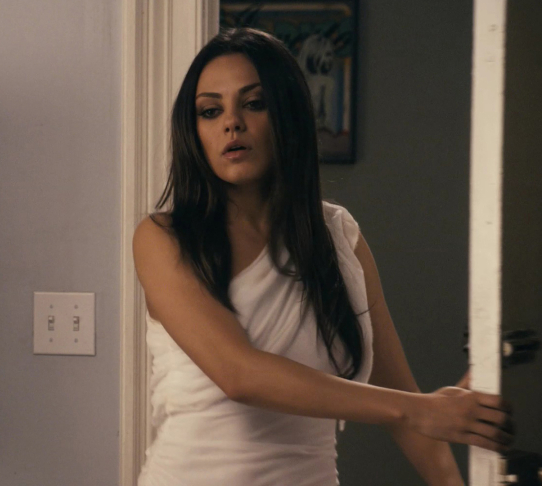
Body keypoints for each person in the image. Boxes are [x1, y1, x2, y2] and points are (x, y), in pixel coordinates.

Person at [132, 28, 512, 486]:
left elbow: (403, 403)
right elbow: (239, 375)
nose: (231, 123)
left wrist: (440, 437)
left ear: (289, 114)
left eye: (254, 103)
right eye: (210, 111)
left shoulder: (339, 237)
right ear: (193, 131)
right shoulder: (163, 238)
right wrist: (421, 410)